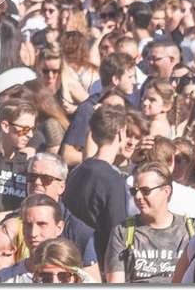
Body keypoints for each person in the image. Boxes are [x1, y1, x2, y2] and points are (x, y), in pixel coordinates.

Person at [62, 104, 128, 268]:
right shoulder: (113, 179)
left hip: (70, 256)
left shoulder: (76, 172)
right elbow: (117, 231)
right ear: (120, 132)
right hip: (98, 263)